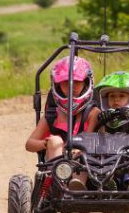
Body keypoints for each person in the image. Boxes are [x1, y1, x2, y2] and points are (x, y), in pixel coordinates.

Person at [24, 56, 100, 190]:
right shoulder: (53, 115)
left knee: (84, 147)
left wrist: (79, 148)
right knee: (54, 141)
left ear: (86, 83)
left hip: (86, 169)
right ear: (57, 85)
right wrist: (46, 143)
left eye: (77, 81)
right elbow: (29, 144)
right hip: (56, 168)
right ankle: (59, 183)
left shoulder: (93, 113)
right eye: (66, 82)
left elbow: (93, 139)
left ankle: (76, 184)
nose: (72, 86)